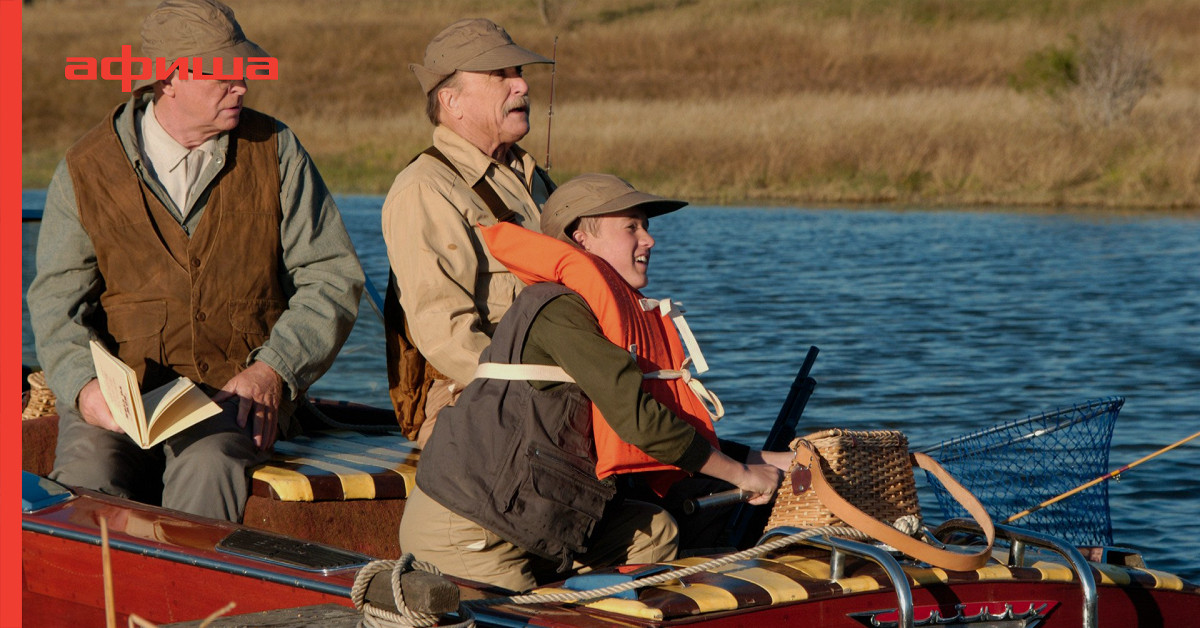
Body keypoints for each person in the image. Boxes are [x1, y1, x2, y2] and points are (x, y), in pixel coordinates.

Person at [27, 0, 364, 523]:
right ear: (170, 80)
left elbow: (331, 278)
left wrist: (273, 371)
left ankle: (185, 605)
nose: (243, 86)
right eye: (225, 75)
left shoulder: (277, 150)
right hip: (121, 398)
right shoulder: (85, 168)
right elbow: (55, 303)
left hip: (236, 396)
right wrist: (83, 388)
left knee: (208, 464)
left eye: (244, 72)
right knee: (88, 473)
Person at [398, 174, 789, 591]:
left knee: (656, 532)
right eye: (631, 227)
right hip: (474, 529)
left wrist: (764, 458)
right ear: (581, 239)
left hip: (533, 517)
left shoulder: (602, 312)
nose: (649, 240)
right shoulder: (559, 309)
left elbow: (663, 423)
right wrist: (743, 476)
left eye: (646, 227)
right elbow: (641, 424)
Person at [381, 18, 555, 447]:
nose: (521, 86)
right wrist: (544, 389)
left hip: (551, 382)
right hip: (467, 397)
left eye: (519, 73)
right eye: (501, 75)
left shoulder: (533, 179)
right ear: (451, 101)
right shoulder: (425, 188)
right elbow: (446, 335)